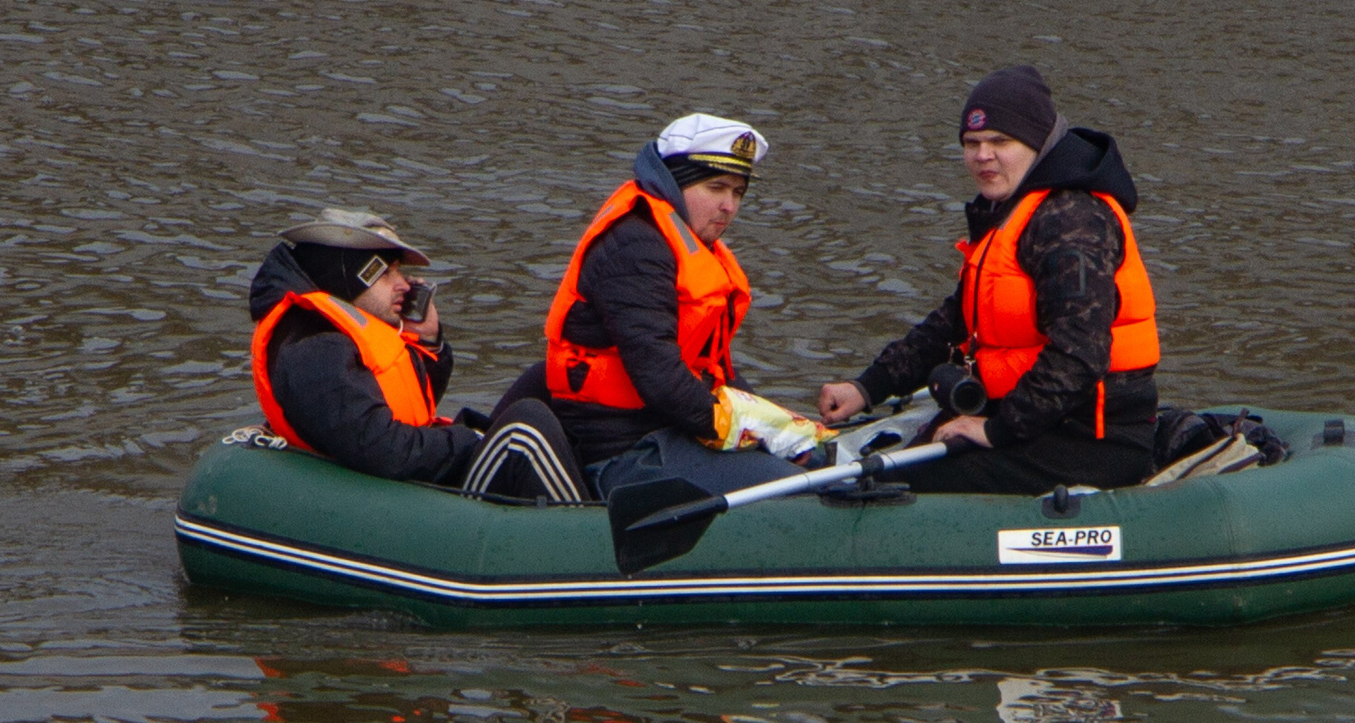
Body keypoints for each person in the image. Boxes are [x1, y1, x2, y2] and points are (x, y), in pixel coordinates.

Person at [817, 66, 1160, 493]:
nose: (983, 156)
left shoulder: (1071, 220)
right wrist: (868, 387)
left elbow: (1081, 353)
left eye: (1001, 142)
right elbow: (956, 321)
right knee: (878, 460)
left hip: (1089, 438)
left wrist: (996, 431)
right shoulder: (1012, 210)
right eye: (972, 143)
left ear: (1038, 145)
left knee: (901, 485)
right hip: (1034, 422)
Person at [542, 113, 813, 498]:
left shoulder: (688, 244)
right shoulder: (636, 246)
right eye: (716, 188)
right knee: (797, 487)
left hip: (667, 433)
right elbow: (659, 375)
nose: (729, 207)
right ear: (673, 182)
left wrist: (782, 427)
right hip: (621, 453)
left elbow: (711, 368)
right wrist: (748, 435)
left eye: (738, 192)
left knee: (814, 463)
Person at [246, 207, 481, 486]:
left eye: (399, 272)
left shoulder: (341, 335)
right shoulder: (315, 349)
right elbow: (386, 451)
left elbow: (405, 402)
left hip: (398, 476)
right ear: (347, 277)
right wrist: (471, 442)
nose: (404, 285)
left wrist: (429, 341)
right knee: (523, 428)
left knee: (525, 409)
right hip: (371, 491)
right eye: (387, 273)